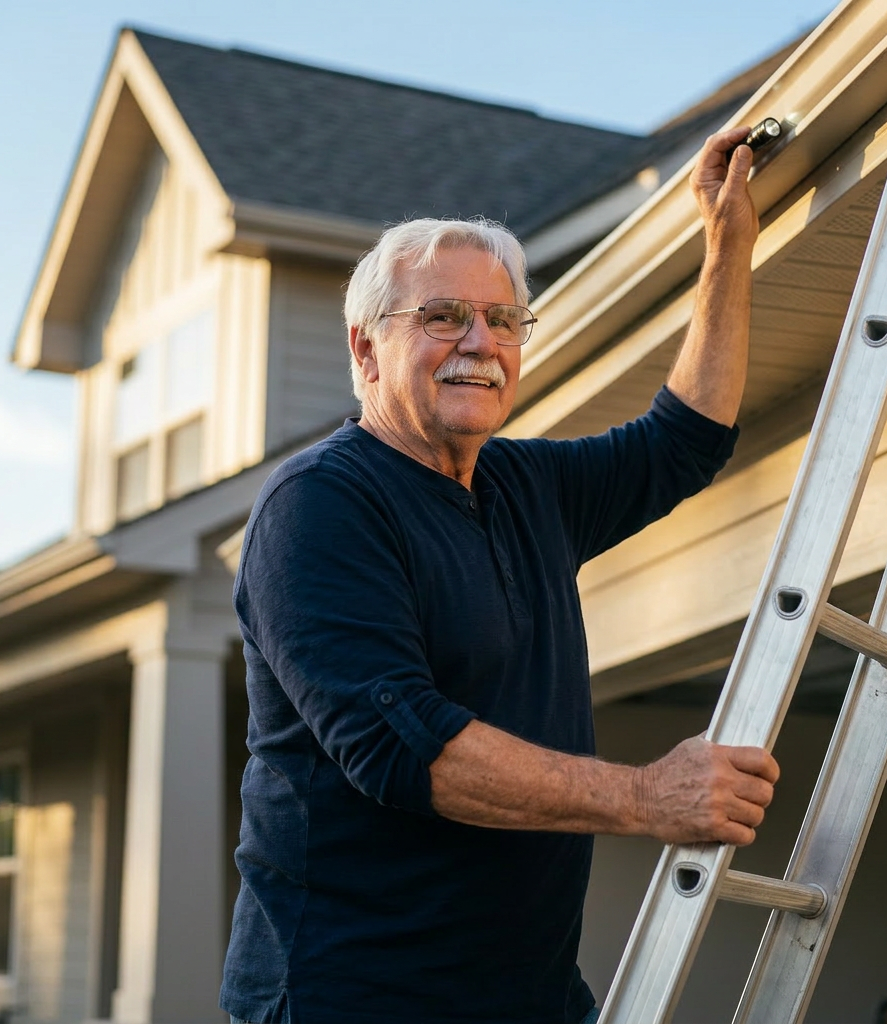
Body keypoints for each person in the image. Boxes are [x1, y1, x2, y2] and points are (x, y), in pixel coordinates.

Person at [221, 125, 779, 1024]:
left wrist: (726, 243)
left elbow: (684, 442)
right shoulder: (319, 508)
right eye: (442, 317)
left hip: (527, 995)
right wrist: (645, 795)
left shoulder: (525, 485)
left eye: (504, 319)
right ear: (365, 350)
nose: (480, 341)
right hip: (357, 997)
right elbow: (404, 749)